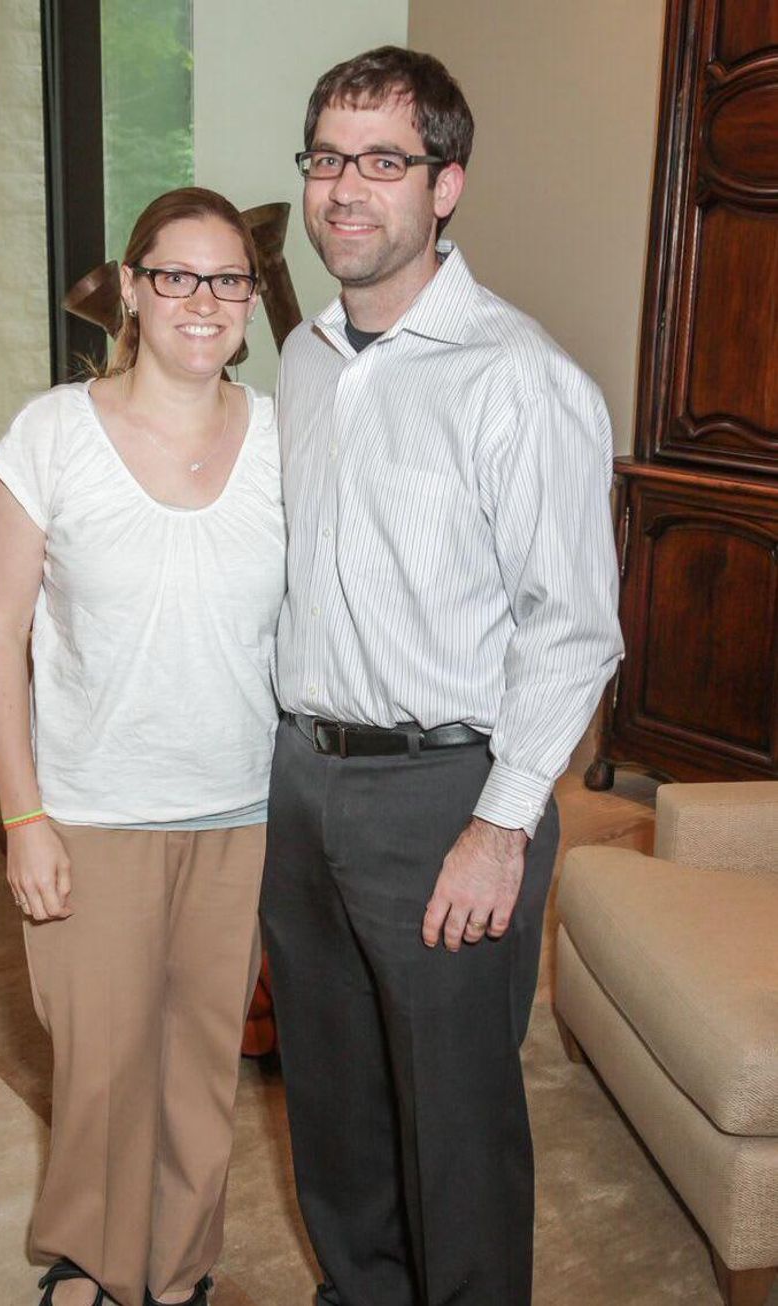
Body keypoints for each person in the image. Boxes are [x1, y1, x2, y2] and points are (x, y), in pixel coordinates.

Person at [260, 46, 623, 1306]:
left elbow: (572, 628)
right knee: (335, 1101)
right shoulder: (301, 360)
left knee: (455, 1127)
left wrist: (498, 823)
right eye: (324, 160)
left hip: (445, 797)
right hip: (300, 783)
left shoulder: (519, 379)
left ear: (445, 184)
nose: (343, 190)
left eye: (381, 161)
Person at [0, 187, 286, 1306]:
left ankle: (180, 1266)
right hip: (91, 814)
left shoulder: (290, 440)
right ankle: (92, 1259)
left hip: (240, 811)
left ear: (251, 300)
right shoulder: (51, 433)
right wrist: (23, 816)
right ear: (133, 289)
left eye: (228, 278)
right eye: (176, 276)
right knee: (100, 1067)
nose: (202, 300)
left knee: (202, 1062)